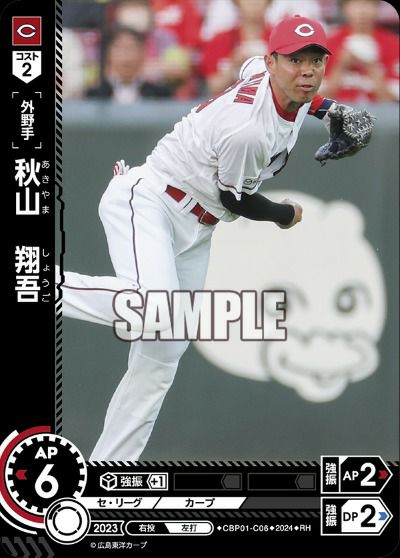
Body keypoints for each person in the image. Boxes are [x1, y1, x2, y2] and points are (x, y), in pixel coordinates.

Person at [58, 15, 372, 461]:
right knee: (152, 310)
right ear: (273, 61)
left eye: (316, 60)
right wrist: (285, 214)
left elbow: (254, 69)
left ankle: (107, 470)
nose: (307, 71)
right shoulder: (249, 129)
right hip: (152, 201)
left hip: (197, 225)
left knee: (163, 354)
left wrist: (329, 109)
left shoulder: (275, 79)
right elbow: (236, 199)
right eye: (295, 60)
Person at [321, 0, 399, 102]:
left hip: (378, 110)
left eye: (367, 5)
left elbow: (391, 103)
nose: (362, 11)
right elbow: (318, 101)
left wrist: (371, 67)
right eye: (355, 5)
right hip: (337, 109)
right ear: (345, 9)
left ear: (377, 8)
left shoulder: (393, 44)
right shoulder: (328, 43)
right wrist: (341, 66)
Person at [200, 0, 273, 95]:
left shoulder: (280, 38)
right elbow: (214, 88)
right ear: (237, 3)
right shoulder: (219, 41)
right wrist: (234, 65)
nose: (253, 2)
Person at [87, 27, 171, 103]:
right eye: (120, 48)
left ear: (142, 53)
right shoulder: (95, 94)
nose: (126, 55)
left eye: (131, 48)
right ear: (109, 54)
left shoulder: (160, 95)